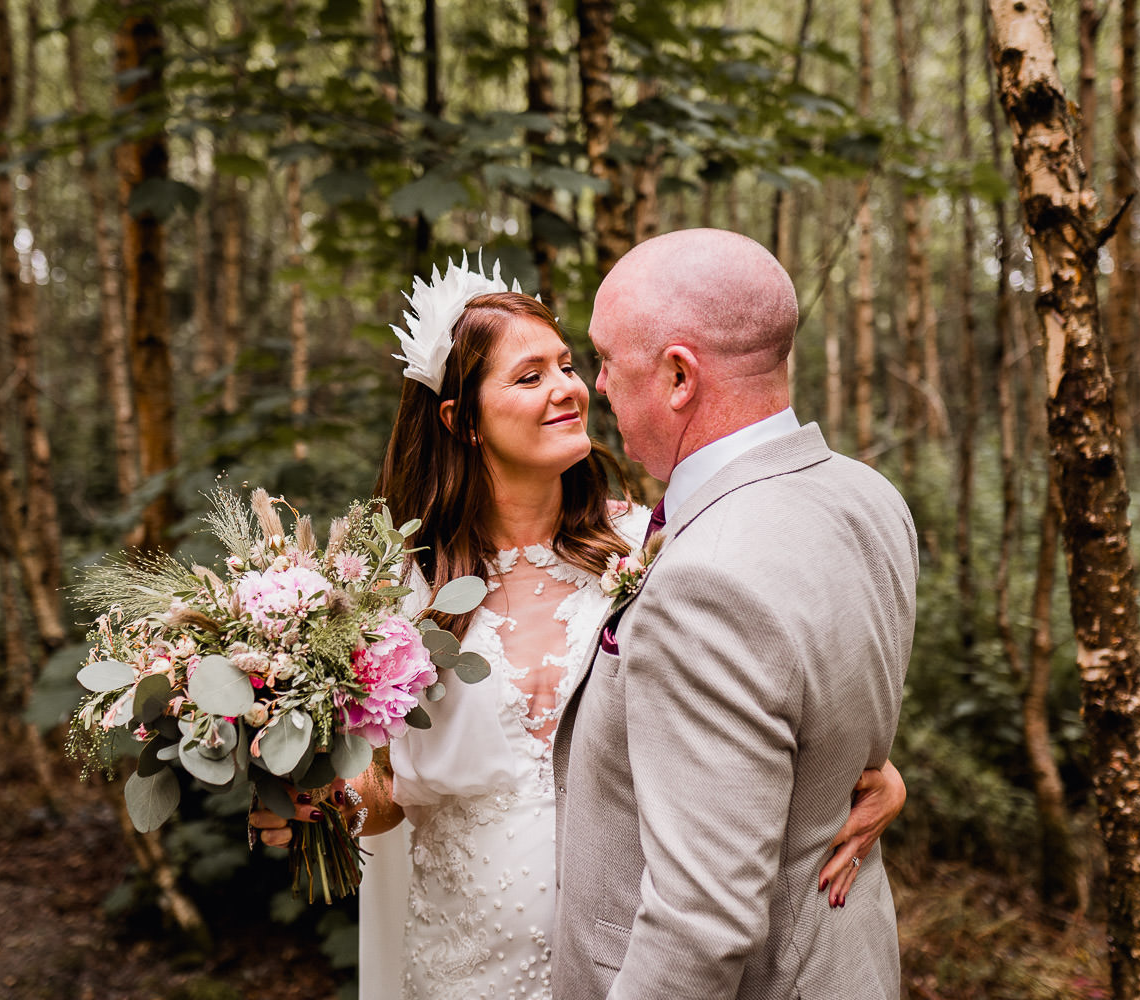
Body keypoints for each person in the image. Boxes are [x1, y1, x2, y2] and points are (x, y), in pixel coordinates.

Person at [250, 254, 907, 999]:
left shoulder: (659, 549)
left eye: (569, 363)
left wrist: (864, 780)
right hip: (466, 962)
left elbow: (764, 705)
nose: (569, 389)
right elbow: (387, 792)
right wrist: (319, 803)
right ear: (460, 419)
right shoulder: (390, 593)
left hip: (632, 963)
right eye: (530, 376)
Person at [551, 229, 917, 1000]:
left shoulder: (705, 582)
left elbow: (701, 923)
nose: (599, 387)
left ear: (680, 376)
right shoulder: (868, 495)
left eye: (607, 360)